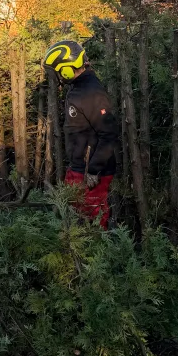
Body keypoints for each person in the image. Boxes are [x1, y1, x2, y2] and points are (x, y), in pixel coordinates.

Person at [43, 40, 120, 228]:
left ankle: (96, 253)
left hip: (91, 171)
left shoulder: (92, 93)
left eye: (57, 72)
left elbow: (109, 134)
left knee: (93, 218)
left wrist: (94, 169)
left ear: (66, 70)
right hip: (79, 166)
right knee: (74, 215)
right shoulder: (79, 88)